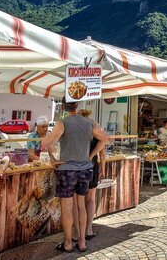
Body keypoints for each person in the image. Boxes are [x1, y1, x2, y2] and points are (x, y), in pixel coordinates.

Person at [43, 98, 109, 253]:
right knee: (81, 206)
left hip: (67, 169)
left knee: (67, 208)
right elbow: (105, 139)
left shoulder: (62, 123)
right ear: (77, 105)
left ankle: (67, 243)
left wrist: (53, 159)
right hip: (86, 169)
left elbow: (48, 143)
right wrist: (91, 155)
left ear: (64, 107)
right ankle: (82, 242)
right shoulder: (90, 122)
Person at [72, 110, 108, 243]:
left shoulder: (75, 129)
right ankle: (88, 229)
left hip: (77, 166)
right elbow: (103, 152)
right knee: (90, 199)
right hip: (92, 166)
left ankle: (76, 232)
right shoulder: (95, 128)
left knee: (77, 201)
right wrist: (102, 169)